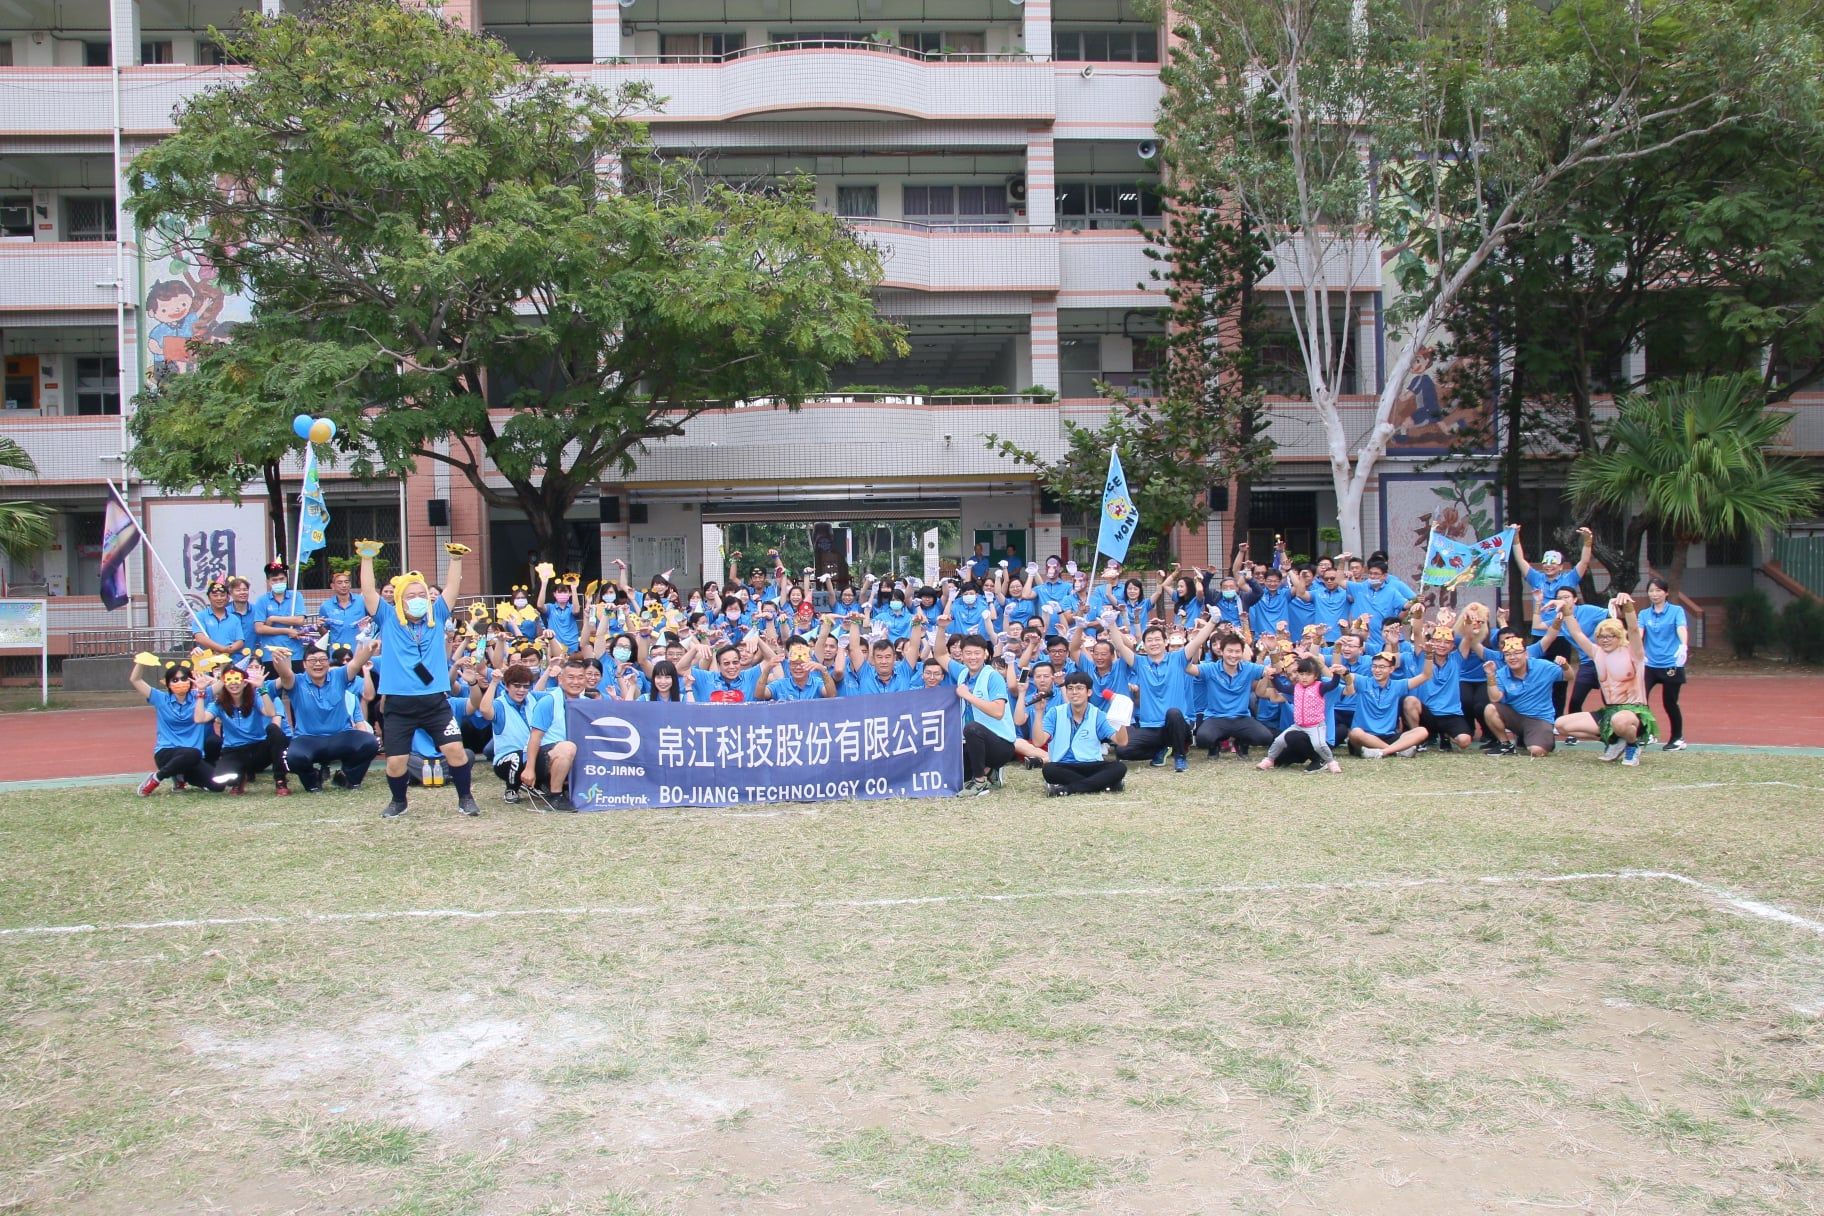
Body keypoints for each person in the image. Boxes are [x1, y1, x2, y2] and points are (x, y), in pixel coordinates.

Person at [357, 537, 482, 818]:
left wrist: (456, 559)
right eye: (409, 596)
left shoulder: (436, 614)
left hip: (436, 702)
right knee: (396, 763)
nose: (416, 600)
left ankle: (465, 798)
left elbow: (452, 588)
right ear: (399, 600)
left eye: (421, 595)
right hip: (399, 705)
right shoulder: (388, 618)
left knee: (456, 753)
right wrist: (366, 558)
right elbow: (367, 591)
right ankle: (398, 801)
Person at [1555, 592, 1657, 764]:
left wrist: (1628, 607)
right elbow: (1577, 633)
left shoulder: (1634, 653)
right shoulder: (1597, 653)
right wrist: (1566, 611)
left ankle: (1633, 744)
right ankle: (1614, 741)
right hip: (1610, 711)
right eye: (1601, 636)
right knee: (1561, 724)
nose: (1605, 640)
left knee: (1620, 721)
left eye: (1610, 636)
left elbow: (1633, 629)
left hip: (1634, 712)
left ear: (1619, 636)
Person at [273, 642, 381, 792]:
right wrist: (278, 659)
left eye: (323, 660)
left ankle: (349, 777)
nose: (318, 664)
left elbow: (357, 662)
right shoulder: (297, 681)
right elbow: (285, 673)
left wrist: (370, 648)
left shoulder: (338, 675)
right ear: (304, 664)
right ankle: (313, 780)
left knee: (370, 742)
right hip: (308, 738)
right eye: (312, 660)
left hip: (341, 735)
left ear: (328, 663)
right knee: (292, 757)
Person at [196, 660, 290, 795]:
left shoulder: (255, 697)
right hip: (234, 751)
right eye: (229, 680)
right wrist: (200, 692)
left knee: (274, 731)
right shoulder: (219, 704)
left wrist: (262, 688)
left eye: (237, 679)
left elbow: (270, 713)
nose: (233, 683)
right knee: (220, 780)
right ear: (224, 683)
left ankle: (280, 780)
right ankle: (239, 779)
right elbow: (200, 719)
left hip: (258, 749)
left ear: (245, 682)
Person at [1033, 672, 1129, 796]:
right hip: (1064, 765)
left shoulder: (1098, 714)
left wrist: (1121, 719)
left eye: (1079, 688)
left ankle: (1068, 789)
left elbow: (1122, 742)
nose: (1074, 692)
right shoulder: (1055, 713)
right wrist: (1039, 712)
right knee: (1049, 770)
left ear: (1089, 692)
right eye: (1070, 689)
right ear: (1066, 692)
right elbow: (1038, 742)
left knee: (1119, 768)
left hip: (1092, 764)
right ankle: (1103, 784)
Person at [132, 659, 217, 795]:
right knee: (192, 752)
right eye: (175, 680)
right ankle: (155, 779)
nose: (180, 682)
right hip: (166, 753)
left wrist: (208, 677)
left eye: (184, 678)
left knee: (218, 786)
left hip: (193, 757)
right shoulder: (161, 698)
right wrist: (141, 662)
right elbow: (136, 680)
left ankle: (181, 777)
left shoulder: (200, 695)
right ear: (168, 684)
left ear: (190, 681)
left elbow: (224, 682)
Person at [949, 633, 1016, 796]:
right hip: (973, 742)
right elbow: (940, 655)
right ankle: (991, 771)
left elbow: (998, 712)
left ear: (986, 654)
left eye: (977, 653)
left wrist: (969, 696)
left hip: (1001, 744)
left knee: (972, 729)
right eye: (968, 653)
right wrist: (941, 628)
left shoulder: (993, 677)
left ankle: (980, 781)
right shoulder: (963, 674)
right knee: (959, 774)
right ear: (962, 654)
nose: (973, 657)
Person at [1481, 634, 1570, 757]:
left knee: (1536, 751)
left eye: (1517, 653)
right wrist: (1490, 675)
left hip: (1539, 719)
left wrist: (1565, 666)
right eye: (1508, 654)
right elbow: (1495, 698)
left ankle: (1539, 738)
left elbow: (1569, 677)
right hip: (1516, 718)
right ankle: (1506, 745)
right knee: (1490, 709)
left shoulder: (1543, 666)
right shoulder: (1501, 674)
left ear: (1526, 654)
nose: (1512, 657)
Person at [1256, 656, 1344, 773]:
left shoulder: (1320, 687)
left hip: (1315, 725)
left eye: (1307, 674)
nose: (1304, 678)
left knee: (1319, 745)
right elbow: (1280, 687)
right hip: (1299, 725)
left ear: (1316, 676)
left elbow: (1333, 684)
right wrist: (1274, 676)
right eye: (1301, 674)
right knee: (1279, 740)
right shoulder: (1296, 687)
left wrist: (1337, 674)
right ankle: (1269, 759)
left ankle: (1330, 762)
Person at [524, 656, 592, 806]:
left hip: (574, 755)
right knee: (567, 747)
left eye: (580, 677)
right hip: (547, 754)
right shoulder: (549, 701)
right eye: (571, 677)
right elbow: (535, 737)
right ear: (560, 679)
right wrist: (529, 768)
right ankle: (555, 795)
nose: (576, 682)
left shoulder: (588, 703)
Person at [1193, 632, 1274, 758]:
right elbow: (1188, 668)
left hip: (1241, 717)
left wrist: (1272, 651)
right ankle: (1214, 746)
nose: (1233, 655)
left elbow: (1274, 671)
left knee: (1265, 737)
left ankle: (1241, 743)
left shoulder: (1248, 668)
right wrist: (1195, 643)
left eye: (1237, 652)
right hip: (1216, 717)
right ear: (1222, 651)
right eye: (1230, 651)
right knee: (1203, 738)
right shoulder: (1210, 668)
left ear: (1242, 653)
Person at [1344, 650, 1436, 759]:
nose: (1377, 670)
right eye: (1374, 666)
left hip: (1389, 735)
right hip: (1365, 735)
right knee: (1355, 733)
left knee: (1422, 731)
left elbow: (1426, 675)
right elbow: (1347, 676)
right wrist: (1344, 672)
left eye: (1382, 667)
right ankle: (1396, 751)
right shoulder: (1363, 682)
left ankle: (1383, 752)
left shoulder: (1398, 685)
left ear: (1391, 669)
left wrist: (1429, 655)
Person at [477, 662, 545, 803]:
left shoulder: (533, 699)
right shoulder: (500, 704)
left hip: (531, 756)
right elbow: (484, 710)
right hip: (506, 760)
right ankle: (511, 789)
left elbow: (555, 696)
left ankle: (536, 785)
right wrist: (494, 683)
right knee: (517, 756)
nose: (521, 690)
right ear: (507, 686)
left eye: (526, 686)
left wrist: (550, 670)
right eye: (517, 686)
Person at [1639, 577, 1689, 750]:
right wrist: (1638, 652)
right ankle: (1648, 733)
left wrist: (1683, 645)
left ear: (1666, 593)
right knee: (1639, 699)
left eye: (1658, 590)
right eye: (1651, 591)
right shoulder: (1644, 614)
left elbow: (1681, 628)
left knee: (1669, 702)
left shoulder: (1676, 611)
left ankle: (1677, 738)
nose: (1654, 594)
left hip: (1671, 664)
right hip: (1650, 664)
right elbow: (1638, 633)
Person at [251, 558, 310, 645]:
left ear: (286, 579)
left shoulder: (296, 596)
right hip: (271, 651)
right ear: (268, 582)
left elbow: (299, 620)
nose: (278, 582)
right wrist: (286, 630)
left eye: (281, 579)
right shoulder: (262, 600)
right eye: (274, 580)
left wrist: (273, 618)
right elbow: (259, 628)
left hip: (294, 650)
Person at [191, 578, 248, 658]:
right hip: (206, 661)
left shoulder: (234, 619)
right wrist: (222, 649)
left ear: (227, 597)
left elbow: (240, 641)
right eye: (215, 595)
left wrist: (229, 649)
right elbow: (200, 638)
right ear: (209, 597)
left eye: (222, 595)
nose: (219, 598)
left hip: (228, 660)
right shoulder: (200, 616)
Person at [317, 569, 368, 650]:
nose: (344, 585)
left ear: (350, 584)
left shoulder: (362, 601)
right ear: (332, 586)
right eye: (339, 583)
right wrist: (319, 627)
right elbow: (325, 634)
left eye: (346, 582)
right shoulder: (326, 606)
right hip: (337, 651)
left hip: (360, 649)